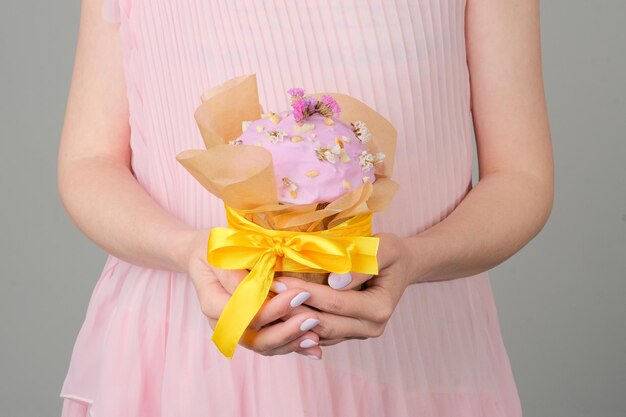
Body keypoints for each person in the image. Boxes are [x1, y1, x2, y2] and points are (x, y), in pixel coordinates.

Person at [57, 0, 553, 415]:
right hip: (183, 340)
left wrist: (418, 258)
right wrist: (190, 251)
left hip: (415, 347)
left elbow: (520, 176)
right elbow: (90, 163)